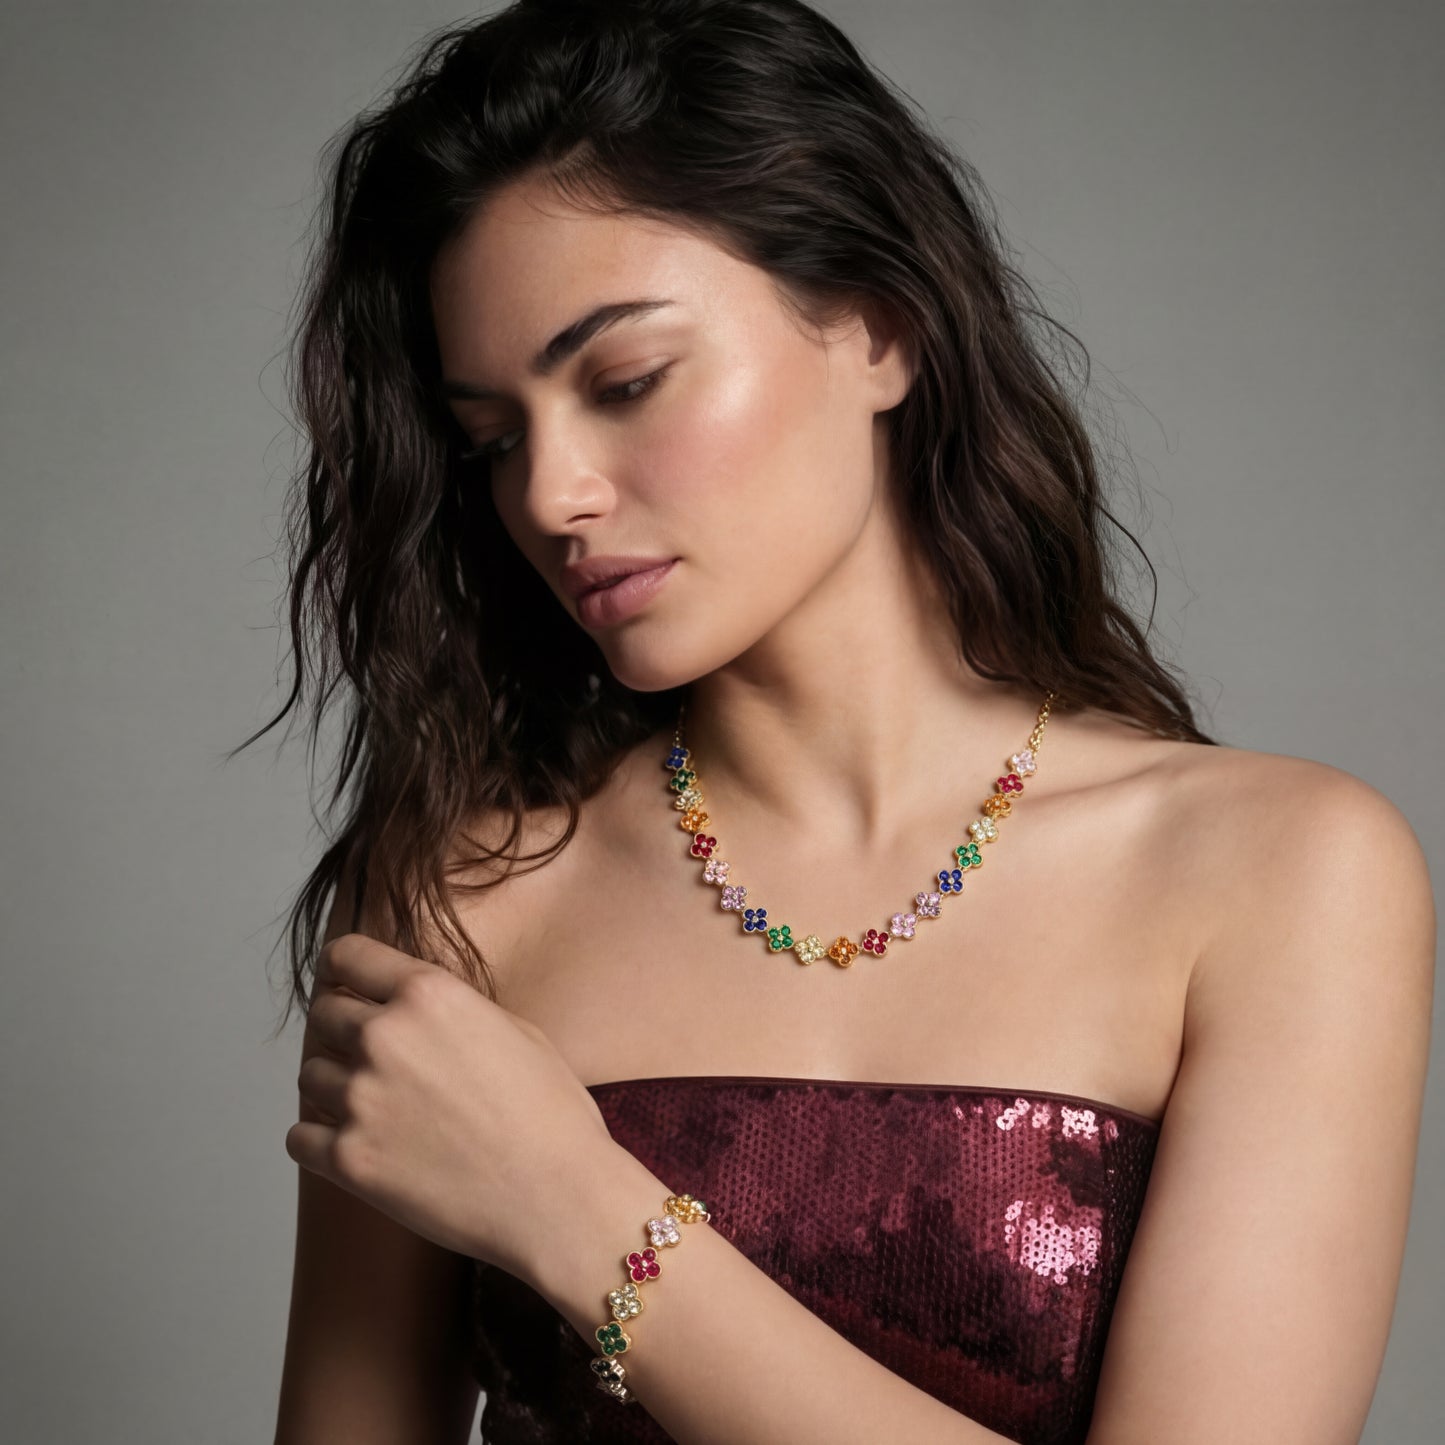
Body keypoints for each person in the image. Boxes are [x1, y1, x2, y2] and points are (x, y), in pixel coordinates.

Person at [261, 2, 1435, 1441]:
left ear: (879, 328)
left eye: (625, 382)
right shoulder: (461, 896)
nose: (551, 494)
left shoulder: (1275, 872)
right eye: (493, 440)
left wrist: (578, 1209)